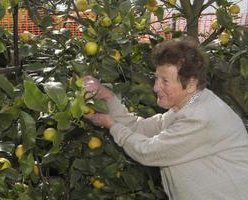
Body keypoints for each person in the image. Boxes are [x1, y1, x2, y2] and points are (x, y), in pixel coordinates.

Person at [83, 37, 248, 200]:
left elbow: (148, 151)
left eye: (165, 81)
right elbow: (139, 127)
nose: (156, 87)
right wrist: (108, 97)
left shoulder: (201, 117)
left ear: (191, 84)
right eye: (157, 78)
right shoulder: (185, 107)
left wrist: (111, 125)